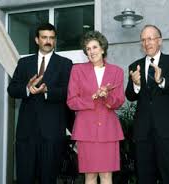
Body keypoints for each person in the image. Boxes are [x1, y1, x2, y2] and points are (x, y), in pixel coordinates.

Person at [7, 23, 73, 184]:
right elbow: (12, 89)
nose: (48, 41)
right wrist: (27, 88)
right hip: (26, 133)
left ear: (55, 40)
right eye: (44, 37)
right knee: (25, 177)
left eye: (51, 38)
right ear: (37, 40)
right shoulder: (24, 63)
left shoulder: (65, 64)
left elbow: (69, 92)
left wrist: (47, 90)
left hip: (52, 132)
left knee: (48, 178)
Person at [125, 24, 169, 184]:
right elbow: (130, 96)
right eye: (143, 40)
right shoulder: (134, 66)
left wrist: (162, 81)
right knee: (145, 177)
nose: (147, 43)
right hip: (143, 133)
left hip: (168, 131)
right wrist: (136, 84)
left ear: (160, 41)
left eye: (150, 38)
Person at [67, 30, 125, 184]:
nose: (91, 52)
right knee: (90, 176)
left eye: (94, 47)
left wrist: (106, 96)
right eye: (88, 49)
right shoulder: (77, 70)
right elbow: (71, 101)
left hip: (108, 131)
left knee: (107, 176)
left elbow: (119, 101)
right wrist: (91, 99)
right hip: (85, 131)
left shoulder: (117, 71)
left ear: (103, 48)